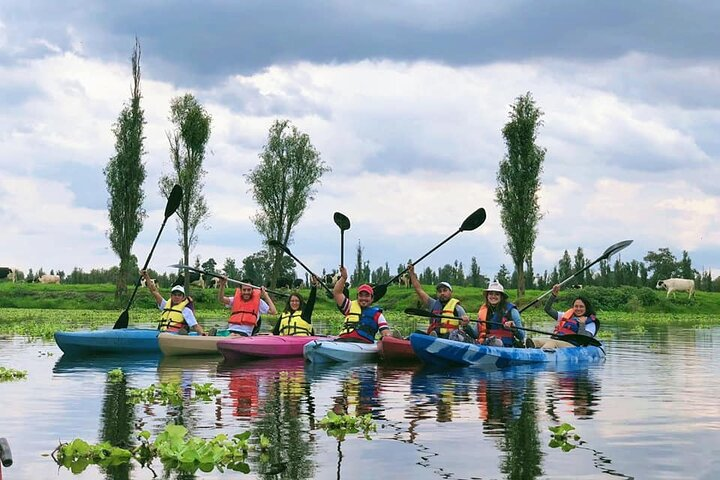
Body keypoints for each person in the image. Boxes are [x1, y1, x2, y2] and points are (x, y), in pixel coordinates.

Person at [407, 263, 471, 340]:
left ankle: (434, 340)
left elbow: (465, 326)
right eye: (439, 291)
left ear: (450, 292)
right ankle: (404, 340)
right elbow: (419, 290)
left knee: (450, 335)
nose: (442, 293)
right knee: (416, 333)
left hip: (449, 339)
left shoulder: (458, 308)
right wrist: (412, 273)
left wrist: (465, 323)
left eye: (445, 290)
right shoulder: (432, 304)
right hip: (433, 336)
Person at [333, 265, 392, 342]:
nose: (363, 298)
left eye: (367, 295)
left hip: (363, 344)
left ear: (372, 298)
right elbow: (337, 293)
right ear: (357, 297)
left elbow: (385, 332)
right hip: (343, 341)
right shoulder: (349, 307)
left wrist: (388, 337)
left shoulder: (378, 315)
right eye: (361, 295)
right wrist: (343, 278)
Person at [532, 283, 599, 349]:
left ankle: (541, 355)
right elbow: (547, 309)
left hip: (573, 346)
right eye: (576, 306)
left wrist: (582, 324)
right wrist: (553, 295)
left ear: (586, 308)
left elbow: (584, 340)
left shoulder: (591, 323)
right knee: (535, 341)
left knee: (552, 343)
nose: (578, 309)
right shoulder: (567, 316)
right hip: (558, 341)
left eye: (581, 307)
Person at [142, 270, 206, 335]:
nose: (177, 297)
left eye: (179, 295)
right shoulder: (165, 305)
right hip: (162, 334)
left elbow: (196, 326)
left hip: (176, 335)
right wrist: (146, 276)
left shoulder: (186, 310)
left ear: (183, 297)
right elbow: (154, 291)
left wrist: (203, 334)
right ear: (171, 296)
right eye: (175, 295)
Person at [475, 281, 526, 347]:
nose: (493, 296)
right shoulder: (483, 311)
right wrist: (466, 326)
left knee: (496, 342)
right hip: (486, 345)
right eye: (490, 294)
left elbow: (521, 336)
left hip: (505, 347)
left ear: (502, 297)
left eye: (497, 294)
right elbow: (475, 334)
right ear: (487, 296)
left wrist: (513, 328)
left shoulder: (512, 311)